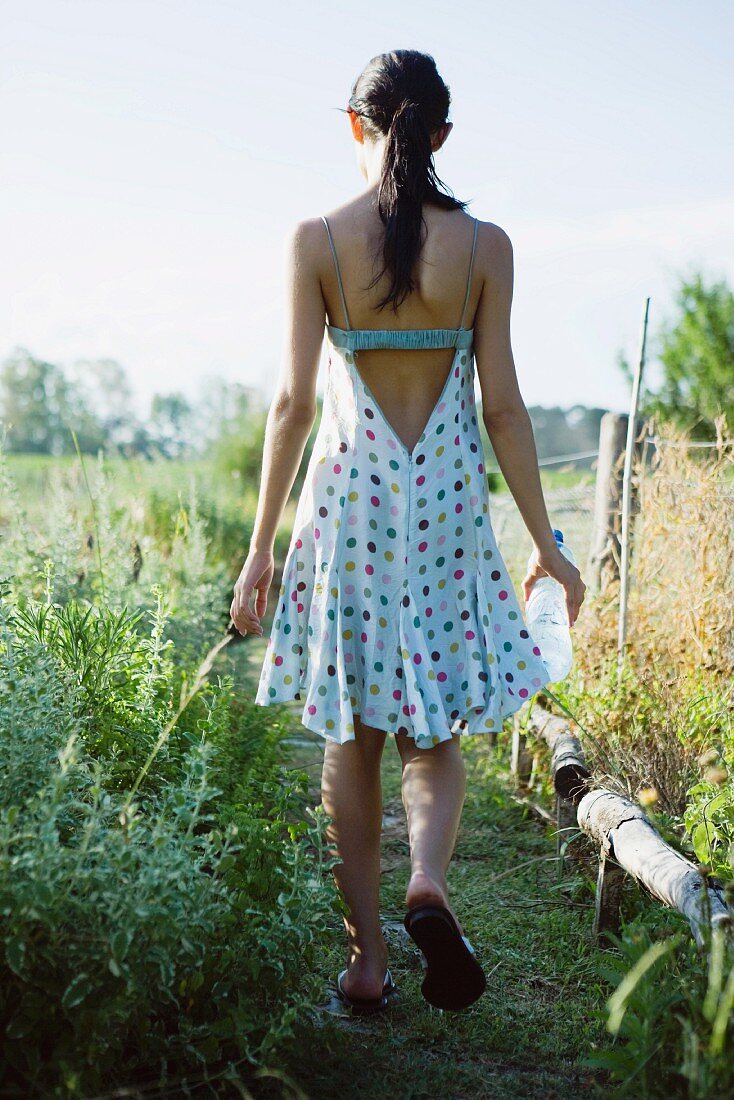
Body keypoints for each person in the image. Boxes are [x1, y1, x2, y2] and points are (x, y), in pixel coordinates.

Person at [230, 49, 586, 1016]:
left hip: (349, 506)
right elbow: (504, 408)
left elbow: (292, 405)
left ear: (358, 128)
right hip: (443, 509)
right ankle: (429, 880)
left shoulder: (315, 240)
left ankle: (369, 962)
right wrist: (547, 547)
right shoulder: (485, 248)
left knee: (352, 736)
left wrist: (259, 549)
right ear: (439, 135)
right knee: (434, 735)